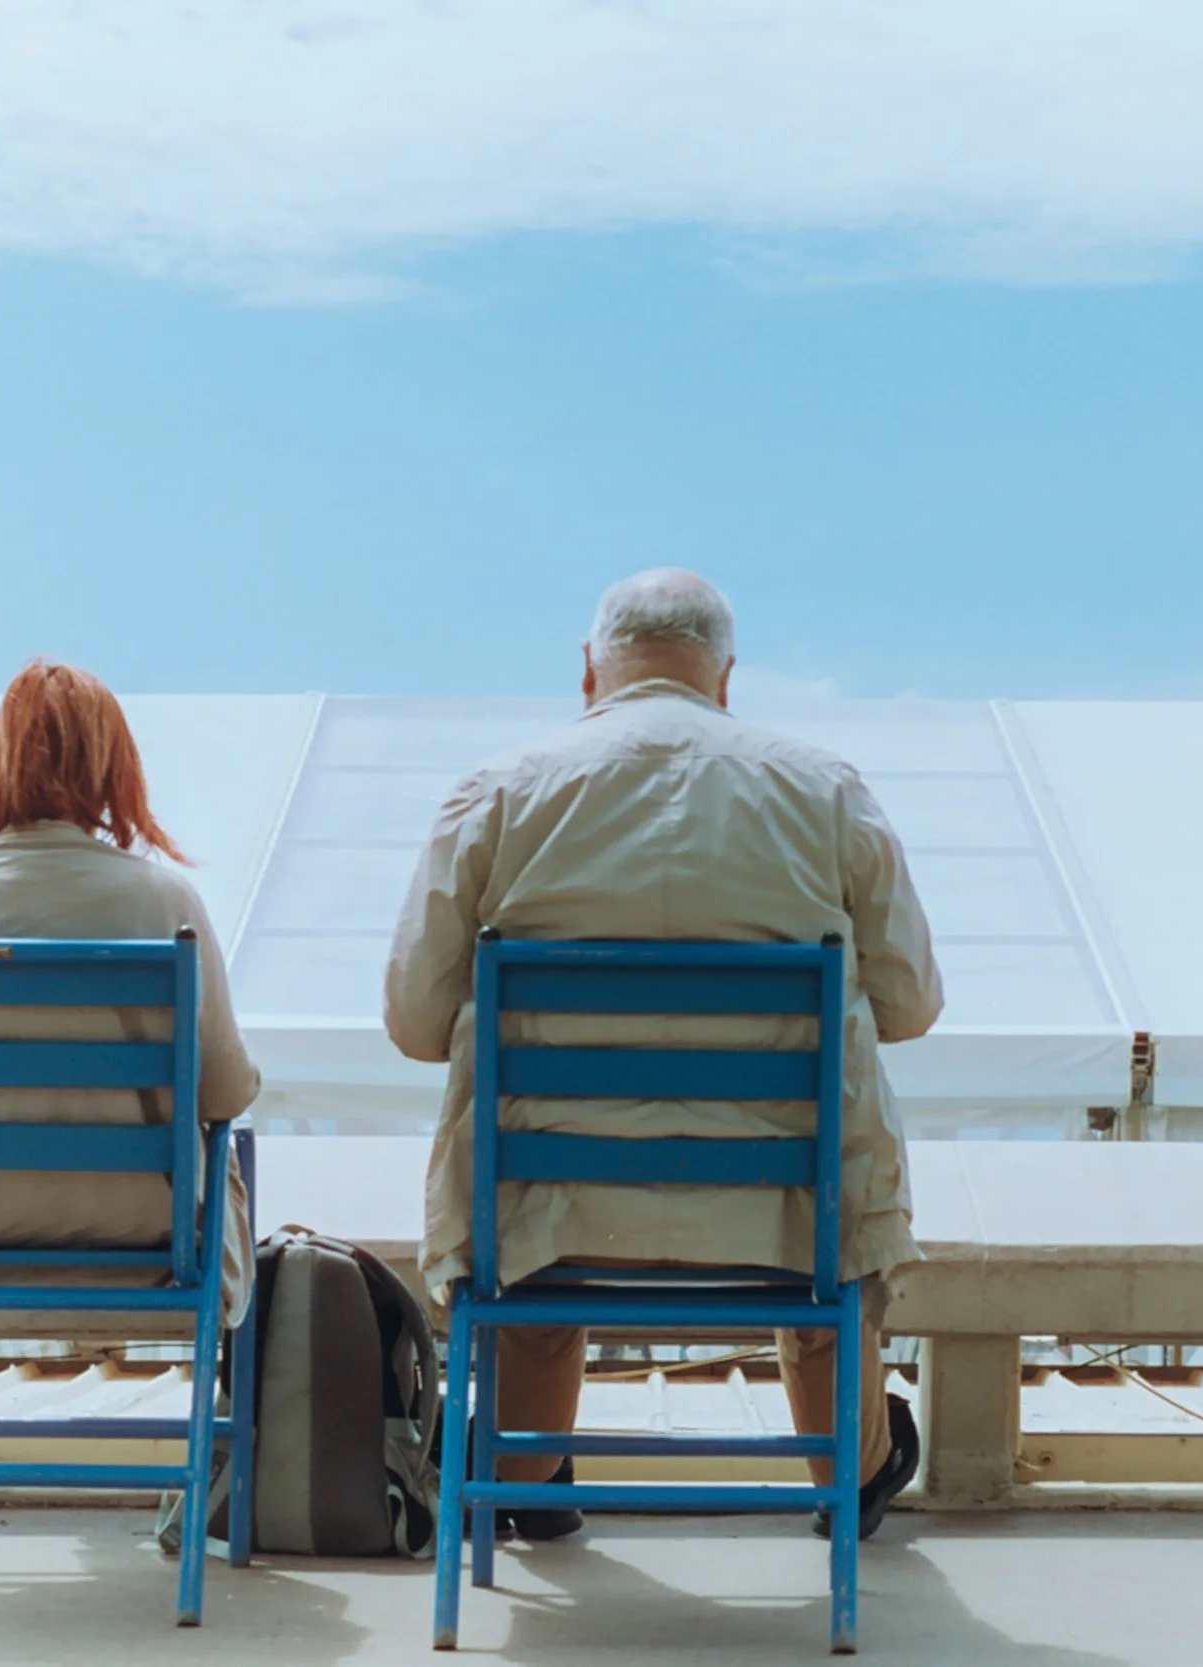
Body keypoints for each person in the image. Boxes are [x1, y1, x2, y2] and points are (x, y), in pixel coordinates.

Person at [385, 568, 944, 1540]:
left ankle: (524, 1477)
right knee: (831, 1243)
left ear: (589, 669)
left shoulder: (499, 793)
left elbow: (412, 1021)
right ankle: (847, 1476)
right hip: (778, 1216)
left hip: (554, 1212)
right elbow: (908, 1004)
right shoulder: (824, 790)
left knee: (535, 1246)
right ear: (725, 676)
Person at [0, 659, 260, 1323]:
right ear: (115, 769)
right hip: (140, 1225)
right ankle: (218, 1423)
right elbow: (224, 1094)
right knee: (228, 1153)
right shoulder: (166, 901)